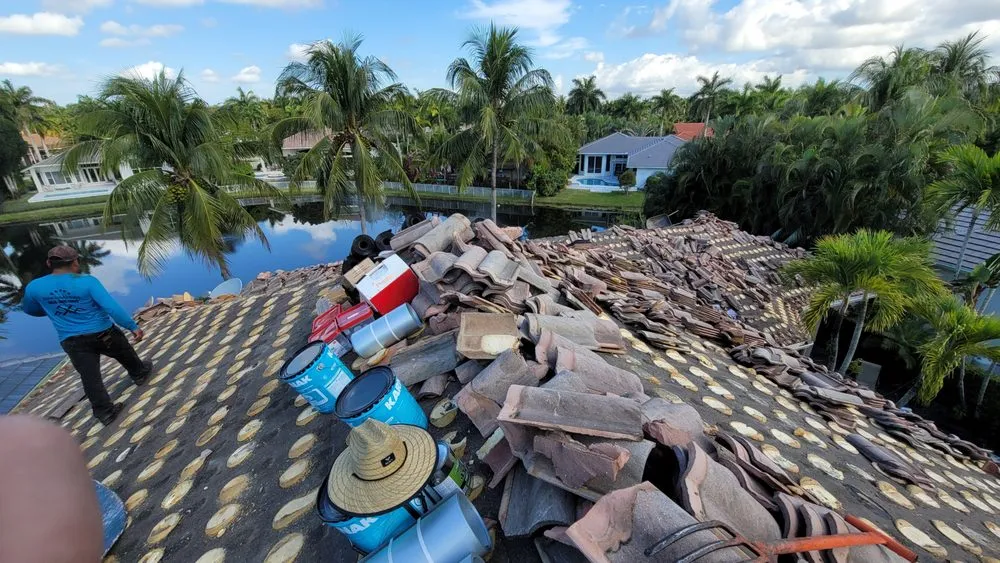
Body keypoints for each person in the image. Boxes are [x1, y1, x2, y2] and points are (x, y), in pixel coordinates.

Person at [22, 245, 152, 424]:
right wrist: (132, 326)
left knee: (90, 377)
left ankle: (105, 412)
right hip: (103, 333)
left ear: (49, 263)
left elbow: (30, 309)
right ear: (75, 261)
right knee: (124, 352)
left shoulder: (35, 287)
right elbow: (111, 307)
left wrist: (53, 310)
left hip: (72, 341)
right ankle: (139, 373)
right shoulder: (87, 281)